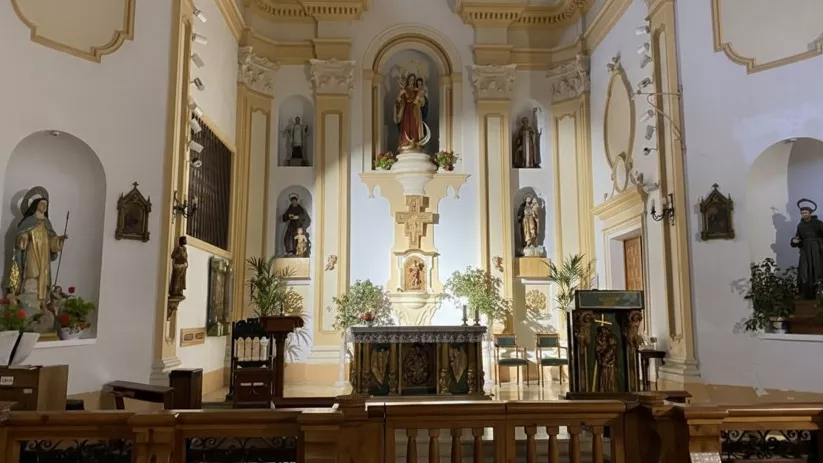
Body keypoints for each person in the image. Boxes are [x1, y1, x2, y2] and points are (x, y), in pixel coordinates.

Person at [8, 195, 67, 311]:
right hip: (32, 251)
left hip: (44, 254)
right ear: (35, 205)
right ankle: (29, 298)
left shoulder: (47, 222)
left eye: (46, 205)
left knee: (43, 275)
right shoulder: (29, 221)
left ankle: (42, 303)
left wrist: (58, 240)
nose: (44, 207)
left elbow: (52, 239)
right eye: (42, 204)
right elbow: (20, 235)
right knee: (32, 273)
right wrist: (24, 236)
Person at [791, 201, 823, 299]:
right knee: (804, 271)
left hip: (817, 250)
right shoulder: (800, 225)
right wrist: (794, 241)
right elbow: (798, 238)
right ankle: (806, 293)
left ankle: (819, 292)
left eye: (805, 213)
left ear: (810, 213)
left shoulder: (818, 223)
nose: (804, 215)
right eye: (802, 213)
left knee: (817, 269)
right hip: (805, 251)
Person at [394, 74, 424, 149]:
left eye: (413, 79)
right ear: (408, 80)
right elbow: (398, 100)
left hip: (414, 110)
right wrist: (400, 94)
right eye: (410, 79)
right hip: (406, 109)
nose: (412, 81)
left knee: (414, 125)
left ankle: (415, 142)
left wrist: (418, 99)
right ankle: (405, 143)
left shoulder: (416, 90)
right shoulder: (404, 89)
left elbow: (421, 102)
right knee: (406, 125)